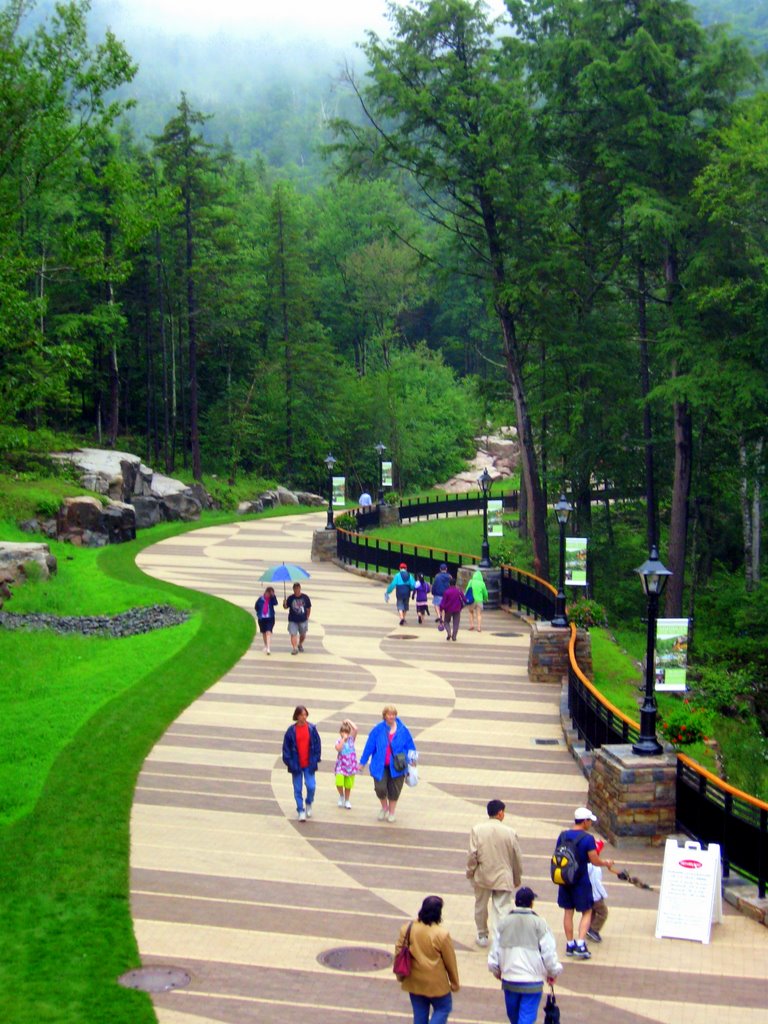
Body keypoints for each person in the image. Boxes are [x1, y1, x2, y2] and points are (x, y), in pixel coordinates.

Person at [488, 887, 562, 1024]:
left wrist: (496, 970)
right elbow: (548, 952)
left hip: (509, 979)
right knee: (526, 1017)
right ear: (531, 903)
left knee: (514, 1017)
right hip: (532, 981)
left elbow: (495, 951)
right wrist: (552, 972)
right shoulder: (540, 924)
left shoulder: (504, 923)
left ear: (516, 902)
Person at [553, 806, 614, 958]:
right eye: (589, 821)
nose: (590, 824)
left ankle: (569, 944)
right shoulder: (588, 839)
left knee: (568, 912)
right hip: (581, 881)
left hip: (565, 879)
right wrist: (606, 863)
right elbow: (594, 859)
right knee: (587, 911)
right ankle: (580, 944)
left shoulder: (563, 835)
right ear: (585, 821)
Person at [467, 799, 524, 947]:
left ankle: (482, 934)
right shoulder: (510, 832)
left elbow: (472, 855)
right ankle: (500, 937)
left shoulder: (477, 830)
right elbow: (516, 858)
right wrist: (517, 877)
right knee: (502, 908)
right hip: (503, 876)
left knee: (480, 906)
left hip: (483, 874)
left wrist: (470, 872)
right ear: (500, 813)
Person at [395, 895, 460, 1024]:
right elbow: (450, 961)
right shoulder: (441, 934)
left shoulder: (407, 928)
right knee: (443, 1008)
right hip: (437, 983)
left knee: (419, 1013)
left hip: (414, 980)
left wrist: (400, 976)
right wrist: (454, 982)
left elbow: (398, 952)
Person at [360, 704, 416, 822]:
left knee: (394, 790)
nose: (391, 717)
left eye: (393, 714)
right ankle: (384, 807)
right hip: (380, 765)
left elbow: (411, 745)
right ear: (384, 716)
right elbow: (369, 746)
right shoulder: (378, 729)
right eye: (389, 714)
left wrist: (412, 761)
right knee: (380, 788)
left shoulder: (403, 730)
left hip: (397, 766)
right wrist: (362, 762)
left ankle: (391, 812)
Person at [281, 705, 321, 822]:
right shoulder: (291, 731)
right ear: (297, 716)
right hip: (296, 765)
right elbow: (286, 749)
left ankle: (309, 802)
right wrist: (289, 762)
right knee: (297, 789)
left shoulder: (312, 729)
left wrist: (316, 757)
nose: (304, 717)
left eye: (305, 715)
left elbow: (317, 744)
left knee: (311, 786)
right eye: (301, 715)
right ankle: (300, 810)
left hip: (309, 763)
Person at [586, 839, 613, 942]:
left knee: (592, 912)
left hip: (588, 894)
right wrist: (602, 894)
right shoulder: (592, 866)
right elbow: (596, 883)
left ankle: (589, 928)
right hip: (595, 895)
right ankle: (593, 930)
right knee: (603, 913)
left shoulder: (588, 862)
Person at [334, 718, 359, 809]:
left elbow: (355, 729)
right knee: (339, 782)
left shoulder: (351, 739)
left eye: (347, 733)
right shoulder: (338, 741)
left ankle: (347, 800)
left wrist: (348, 721)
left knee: (348, 785)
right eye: (343, 732)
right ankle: (341, 795)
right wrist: (343, 739)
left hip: (350, 766)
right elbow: (338, 748)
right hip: (341, 766)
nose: (345, 734)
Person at [284, 581, 311, 654]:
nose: (296, 590)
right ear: (293, 589)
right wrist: (285, 604)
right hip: (293, 619)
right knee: (293, 633)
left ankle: (300, 644)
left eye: (297, 588)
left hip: (303, 619)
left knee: (303, 634)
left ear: (300, 588)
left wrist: (307, 616)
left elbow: (308, 608)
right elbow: (286, 607)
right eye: (295, 589)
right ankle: (294, 648)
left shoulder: (305, 597)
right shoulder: (290, 598)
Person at [439, 577, 465, 641]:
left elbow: (443, 602)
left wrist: (441, 608)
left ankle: (449, 632)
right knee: (456, 623)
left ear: (449, 584)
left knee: (446, 621)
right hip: (457, 609)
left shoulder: (446, 592)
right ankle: (454, 636)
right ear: (455, 584)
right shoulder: (459, 591)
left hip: (448, 609)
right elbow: (464, 599)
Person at [254, 585, 278, 654]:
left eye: (270, 594)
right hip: (262, 618)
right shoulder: (260, 599)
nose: (268, 595)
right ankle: (265, 645)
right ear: (265, 592)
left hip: (270, 618)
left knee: (268, 632)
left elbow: (275, 603)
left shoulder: (271, 600)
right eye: (268, 593)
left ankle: (268, 648)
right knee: (264, 632)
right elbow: (256, 607)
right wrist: (259, 613)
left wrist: (273, 596)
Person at [465, 568, 489, 633]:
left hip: (472, 600)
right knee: (479, 614)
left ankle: (472, 625)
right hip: (479, 600)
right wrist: (486, 598)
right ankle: (479, 627)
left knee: (471, 612)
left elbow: (467, 590)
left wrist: (465, 597)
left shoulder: (471, 581)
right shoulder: (482, 583)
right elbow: (485, 593)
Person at [431, 563, 452, 628]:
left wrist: (433, 592)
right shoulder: (449, 576)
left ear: (440, 569)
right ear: (446, 569)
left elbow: (434, 585)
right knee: (444, 607)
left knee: (436, 605)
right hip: (447, 594)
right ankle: (443, 618)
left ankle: (439, 616)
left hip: (438, 593)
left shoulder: (437, 576)